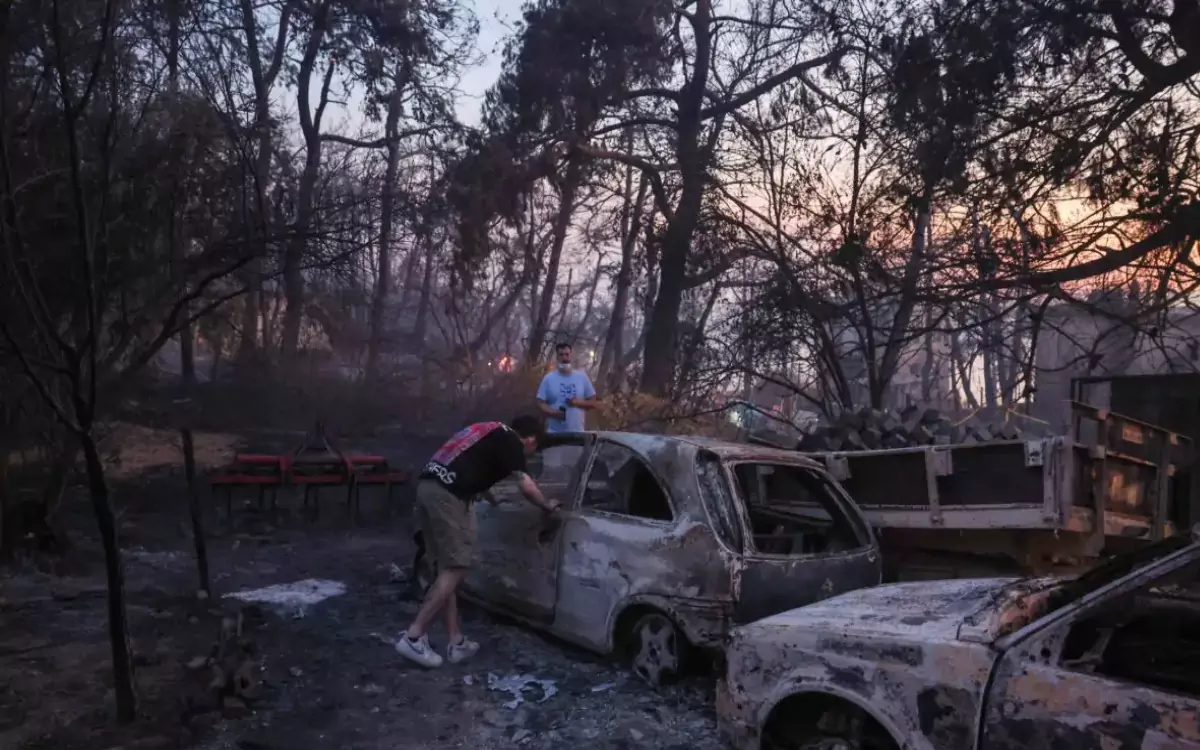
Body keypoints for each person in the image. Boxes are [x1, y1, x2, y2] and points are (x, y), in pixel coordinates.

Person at [396, 415, 560, 668]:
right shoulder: (512, 442)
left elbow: (472, 468)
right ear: (530, 440)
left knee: (446, 569)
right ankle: (414, 637)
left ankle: (456, 642)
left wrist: (494, 500)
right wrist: (548, 505)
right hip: (449, 495)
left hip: (428, 487)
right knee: (456, 566)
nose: (530, 454)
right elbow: (526, 486)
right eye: (534, 449)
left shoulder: (489, 430)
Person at [536, 342, 599, 433]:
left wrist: (577, 403)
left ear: (571, 356)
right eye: (561, 355)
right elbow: (540, 402)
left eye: (567, 354)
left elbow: (593, 403)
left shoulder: (582, 377)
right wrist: (552, 412)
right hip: (554, 432)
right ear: (557, 357)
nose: (564, 358)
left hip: (577, 432)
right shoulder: (548, 379)